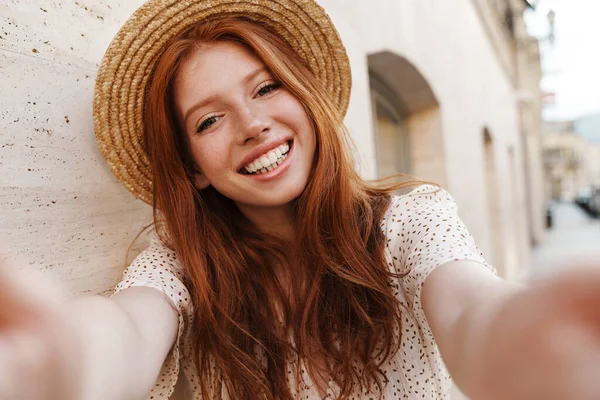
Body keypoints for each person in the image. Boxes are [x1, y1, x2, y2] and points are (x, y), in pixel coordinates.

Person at [1, 0, 600, 399]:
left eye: (266, 87)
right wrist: (69, 356)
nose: (252, 124)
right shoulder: (182, 262)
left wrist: (528, 339)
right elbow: (127, 328)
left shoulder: (411, 220)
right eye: (209, 121)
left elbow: (472, 310)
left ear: (307, 101)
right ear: (194, 170)